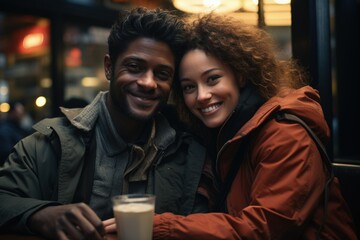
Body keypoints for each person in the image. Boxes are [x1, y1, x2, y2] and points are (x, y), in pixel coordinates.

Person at [105, 13, 357, 239]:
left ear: (241, 74)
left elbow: (266, 228)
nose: (202, 96)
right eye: (189, 87)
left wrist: (162, 228)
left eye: (212, 79)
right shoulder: (222, 132)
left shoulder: (284, 131)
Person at [0, 7, 214, 240]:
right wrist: (41, 215)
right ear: (109, 67)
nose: (148, 82)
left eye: (162, 74)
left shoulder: (187, 154)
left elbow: (206, 223)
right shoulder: (49, 143)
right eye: (134, 67)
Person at [0, 101, 32, 165]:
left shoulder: (20, 128)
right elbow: (7, 153)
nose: (22, 115)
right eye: (19, 113)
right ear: (12, 113)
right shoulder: (5, 130)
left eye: (23, 113)